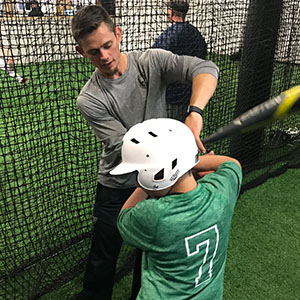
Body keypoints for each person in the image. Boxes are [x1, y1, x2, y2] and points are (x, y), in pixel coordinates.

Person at [71, 5, 219, 299]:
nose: (104, 57)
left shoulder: (151, 61)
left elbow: (205, 69)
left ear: (119, 35)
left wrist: (195, 113)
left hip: (162, 181)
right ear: (81, 52)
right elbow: (129, 146)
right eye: (93, 52)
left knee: (149, 251)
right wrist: (183, 152)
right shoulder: (89, 99)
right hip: (118, 184)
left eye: (107, 45)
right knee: (104, 253)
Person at [111, 118, 242, 300]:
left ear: (157, 176)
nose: (137, 180)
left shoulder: (154, 215)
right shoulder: (221, 192)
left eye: (140, 174)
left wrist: (143, 187)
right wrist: (190, 164)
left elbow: (123, 218)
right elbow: (231, 164)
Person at [152, 0, 207, 110]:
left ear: (171, 12)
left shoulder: (169, 35)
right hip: (188, 94)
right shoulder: (195, 34)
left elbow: (153, 59)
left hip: (170, 97)